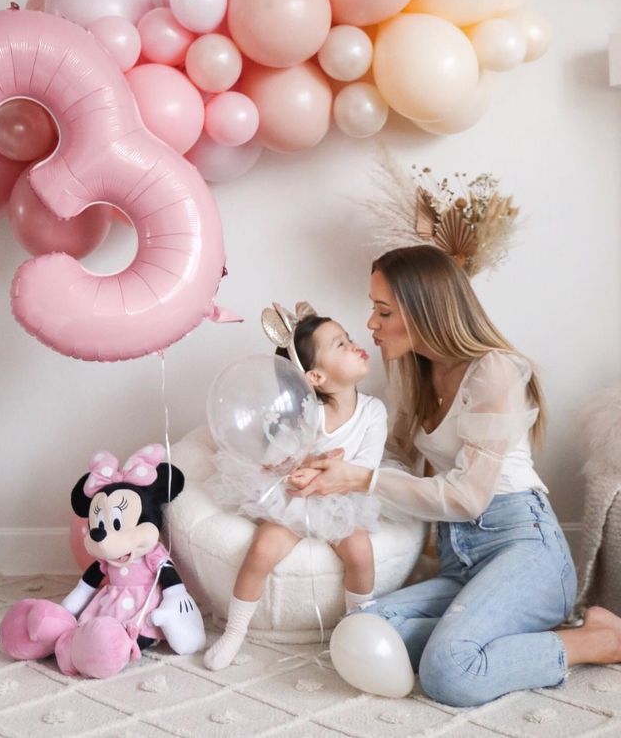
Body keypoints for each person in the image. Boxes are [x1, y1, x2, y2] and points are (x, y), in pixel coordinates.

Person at [293, 245, 621, 707]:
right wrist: (327, 457)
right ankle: (501, 629)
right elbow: (396, 460)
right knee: (363, 627)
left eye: (383, 311)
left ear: (426, 310)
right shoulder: (411, 370)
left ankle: (598, 641)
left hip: (523, 546)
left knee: (450, 673)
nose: (370, 324)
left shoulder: (494, 371)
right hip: (460, 558)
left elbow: (467, 497)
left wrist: (360, 478)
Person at [204, 305, 388, 671]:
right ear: (316, 376)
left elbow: (366, 467)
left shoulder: (373, 412)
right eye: (340, 345)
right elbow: (279, 456)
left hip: (343, 496)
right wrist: (297, 471)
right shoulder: (307, 412)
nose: (354, 345)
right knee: (262, 550)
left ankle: (358, 629)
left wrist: (329, 473)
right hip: (297, 496)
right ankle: (234, 631)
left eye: (348, 339)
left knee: (361, 553)